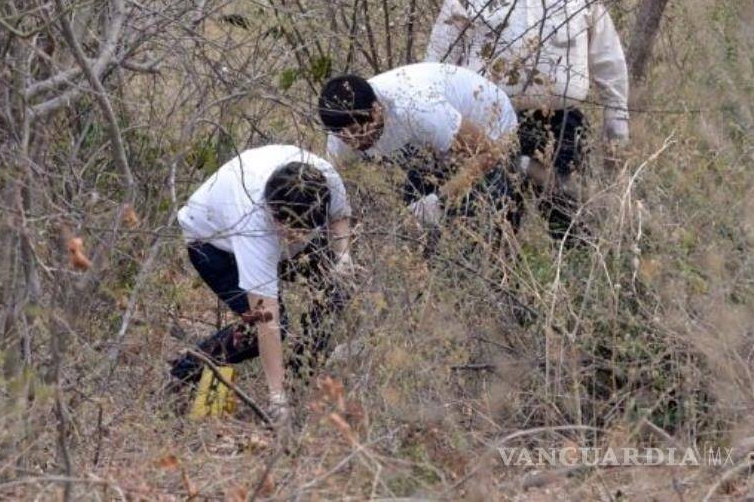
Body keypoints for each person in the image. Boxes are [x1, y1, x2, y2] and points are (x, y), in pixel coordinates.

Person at [424, 0, 629, 240]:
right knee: (492, 225)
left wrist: (617, 124)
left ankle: (571, 289)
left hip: (561, 124)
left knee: (571, 224)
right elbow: (439, 62)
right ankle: (503, 289)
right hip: (488, 126)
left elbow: (608, 58)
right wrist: (438, 131)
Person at [167, 145, 354, 424]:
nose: (297, 238)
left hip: (270, 228)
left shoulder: (324, 178)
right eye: (291, 231)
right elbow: (268, 320)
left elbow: (339, 215)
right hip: (212, 244)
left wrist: (343, 257)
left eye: (305, 231)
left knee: (337, 287)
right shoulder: (252, 224)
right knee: (261, 332)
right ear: (273, 214)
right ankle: (188, 370)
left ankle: (298, 380)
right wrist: (275, 398)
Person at [318, 63, 518, 230]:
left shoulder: (417, 107)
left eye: (357, 131)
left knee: (476, 218)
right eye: (344, 137)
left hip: (490, 126)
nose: (353, 142)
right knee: (415, 216)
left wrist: (440, 199)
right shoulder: (340, 135)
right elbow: (336, 197)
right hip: (429, 144)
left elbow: (489, 153)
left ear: (377, 111)